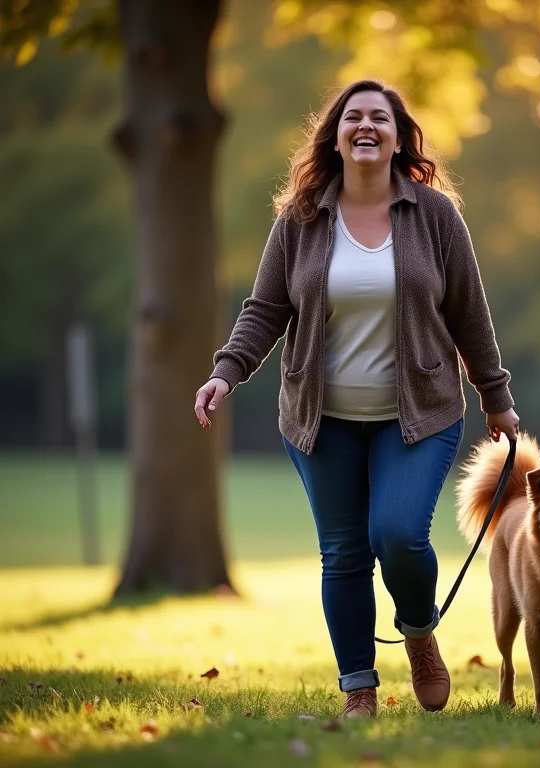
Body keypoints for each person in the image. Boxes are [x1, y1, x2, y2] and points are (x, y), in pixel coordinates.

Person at [194, 79, 519, 718]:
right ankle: (359, 693)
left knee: (397, 534)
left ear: (399, 139)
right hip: (321, 422)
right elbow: (265, 309)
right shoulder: (302, 217)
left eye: (380, 118)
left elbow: (469, 313)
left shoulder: (435, 216)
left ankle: (420, 631)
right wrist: (225, 373)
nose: (365, 126)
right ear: (335, 135)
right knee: (344, 553)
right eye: (353, 117)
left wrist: (496, 396)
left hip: (420, 415)